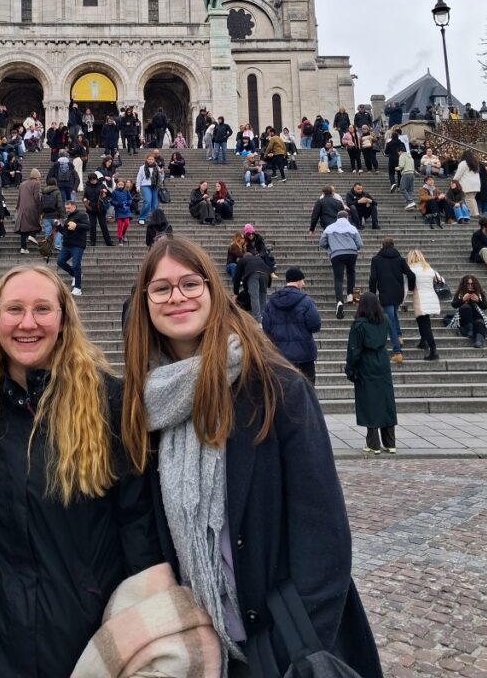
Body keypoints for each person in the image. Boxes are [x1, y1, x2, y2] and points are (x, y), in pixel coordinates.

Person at [121, 237, 383, 678]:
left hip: (282, 647)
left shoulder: (277, 387)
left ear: (213, 290)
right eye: (161, 288)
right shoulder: (146, 404)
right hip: (202, 646)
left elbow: (323, 533)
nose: (177, 297)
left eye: (190, 283)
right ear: (145, 302)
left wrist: (287, 650)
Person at [0, 266, 161, 678]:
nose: (27, 323)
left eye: (42, 309)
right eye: (14, 309)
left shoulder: (110, 403)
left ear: (64, 319)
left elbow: (138, 523)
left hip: (89, 637)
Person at [345, 292, 398, 455]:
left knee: (369, 402)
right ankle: (390, 442)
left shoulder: (359, 325)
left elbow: (354, 350)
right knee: (386, 400)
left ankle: (373, 443)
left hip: (366, 363)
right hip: (382, 360)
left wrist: (350, 369)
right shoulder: (385, 320)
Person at [262, 268, 321, 384]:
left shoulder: (272, 302)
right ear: (298, 281)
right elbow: (315, 325)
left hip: (281, 354)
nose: (303, 284)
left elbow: (266, 327)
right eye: (302, 281)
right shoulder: (306, 301)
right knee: (307, 388)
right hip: (305, 354)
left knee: (284, 389)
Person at [368, 237, 416, 362]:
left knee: (390, 322)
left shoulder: (376, 260)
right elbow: (411, 275)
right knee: (393, 314)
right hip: (398, 294)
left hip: (385, 293)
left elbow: (373, 278)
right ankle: (399, 336)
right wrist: (411, 287)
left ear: (382, 246)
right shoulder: (400, 259)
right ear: (393, 246)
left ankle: (397, 351)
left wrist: (372, 294)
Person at [319, 210, 363, 319]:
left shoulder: (329, 228)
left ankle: (339, 301)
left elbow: (322, 243)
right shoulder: (352, 228)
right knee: (351, 272)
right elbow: (359, 244)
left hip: (336, 254)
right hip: (351, 253)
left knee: (338, 278)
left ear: (337, 218)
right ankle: (351, 296)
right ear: (347, 217)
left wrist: (331, 247)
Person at [406, 249, 441, 360]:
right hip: (432, 298)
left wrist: (402, 301)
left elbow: (406, 287)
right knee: (424, 322)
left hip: (420, 299)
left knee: (424, 324)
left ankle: (433, 350)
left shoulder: (410, 269)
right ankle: (423, 341)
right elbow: (441, 279)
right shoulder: (429, 268)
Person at [56, 199, 90, 296]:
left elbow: (88, 226)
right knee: (60, 262)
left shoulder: (82, 215)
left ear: (74, 206)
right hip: (67, 245)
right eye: (66, 208)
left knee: (76, 265)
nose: (67, 210)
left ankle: (78, 288)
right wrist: (58, 226)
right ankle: (75, 275)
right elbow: (65, 232)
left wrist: (77, 225)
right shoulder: (68, 217)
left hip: (77, 245)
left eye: (69, 208)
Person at [232, 251, 273, 323]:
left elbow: (237, 277)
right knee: (262, 296)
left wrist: (236, 292)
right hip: (266, 274)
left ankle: (257, 320)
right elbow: (269, 269)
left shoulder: (242, 260)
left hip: (253, 274)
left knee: (254, 296)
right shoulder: (259, 259)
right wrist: (269, 283)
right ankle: (262, 318)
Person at [451, 275, 487, 347]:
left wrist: (478, 301)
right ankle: (470, 329)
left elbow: (485, 306)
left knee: (479, 322)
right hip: (465, 319)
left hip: (476, 316)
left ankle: (479, 341)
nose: (470, 286)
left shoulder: (479, 293)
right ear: (464, 284)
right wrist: (463, 299)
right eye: (468, 284)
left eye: (472, 284)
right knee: (465, 307)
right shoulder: (460, 293)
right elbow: (454, 305)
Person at [13, 167, 42, 254]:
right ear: (36, 176)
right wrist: (39, 207)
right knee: (34, 223)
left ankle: (23, 248)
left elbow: (19, 197)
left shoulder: (22, 184)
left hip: (22, 207)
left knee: (23, 228)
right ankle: (32, 235)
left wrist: (18, 207)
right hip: (32, 207)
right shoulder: (36, 183)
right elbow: (36, 196)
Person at [84, 170, 113, 246]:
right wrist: (85, 199)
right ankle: (92, 242)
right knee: (92, 225)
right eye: (91, 180)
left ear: (97, 179)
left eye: (94, 179)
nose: (93, 181)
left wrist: (105, 191)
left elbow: (110, 194)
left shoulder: (102, 185)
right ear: (89, 180)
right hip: (91, 209)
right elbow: (85, 196)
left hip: (101, 208)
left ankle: (109, 242)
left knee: (103, 225)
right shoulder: (87, 187)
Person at [136, 152, 164, 225]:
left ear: (154, 160)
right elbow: (139, 177)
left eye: (152, 159)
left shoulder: (157, 167)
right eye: (149, 159)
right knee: (147, 202)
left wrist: (161, 173)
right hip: (145, 185)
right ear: (146, 159)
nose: (150, 160)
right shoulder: (142, 167)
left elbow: (161, 178)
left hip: (155, 186)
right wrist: (138, 186)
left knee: (155, 204)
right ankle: (142, 217)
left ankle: (154, 218)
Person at [39, 177, 64, 253]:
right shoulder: (57, 191)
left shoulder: (44, 192)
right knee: (60, 230)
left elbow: (41, 204)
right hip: (55, 215)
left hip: (46, 215)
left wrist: (41, 214)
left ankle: (47, 246)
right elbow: (60, 204)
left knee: (48, 231)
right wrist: (62, 215)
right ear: (55, 183)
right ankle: (57, 244)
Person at [454, 150, 481, 218]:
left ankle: (474, 213)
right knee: (472, 198)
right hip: (476, 184)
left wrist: (453, 181)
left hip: (468, 184)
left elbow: (458, 174)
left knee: (469, 199)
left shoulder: (463, 163)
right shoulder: (475, 163)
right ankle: (475, 212)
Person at [110, 177, 134, 245]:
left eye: (122, 185)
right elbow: (112, 201)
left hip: (126, 210)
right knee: (119, 225)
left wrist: (128, 202)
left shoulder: (126, 191)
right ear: (117, 184)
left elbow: (130, 199)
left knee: (127, 223)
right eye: (119, 184)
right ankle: (120, 238)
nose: (120, 186)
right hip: (118, 210)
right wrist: (118, 204)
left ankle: (123, 233)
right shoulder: (114, 192)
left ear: (124, 185)